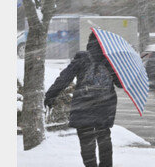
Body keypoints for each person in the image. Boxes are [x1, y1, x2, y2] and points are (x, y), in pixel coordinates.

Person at [44, 32, 122, 167]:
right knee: (104, 139)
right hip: (105, 106)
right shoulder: (110, 62)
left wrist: (50, 95)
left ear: (89, 43)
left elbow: (64, 78)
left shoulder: (81, 59)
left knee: (86, 141)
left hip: (83, 106)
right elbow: (120, 84)